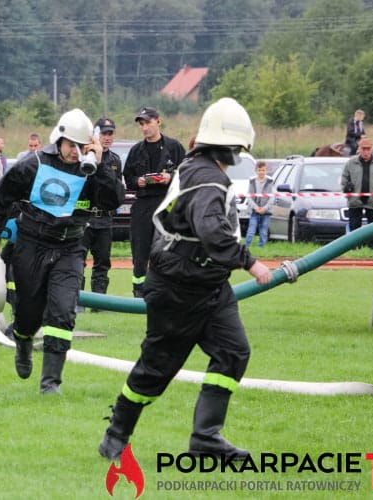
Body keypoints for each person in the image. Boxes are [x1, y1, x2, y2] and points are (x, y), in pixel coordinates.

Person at [98, 98, 272, 462]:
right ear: (230, 145)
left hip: (209, 285)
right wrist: (250, 263)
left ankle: (206, 437)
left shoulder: (197, 166)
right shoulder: (207, 177)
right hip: (178, 288)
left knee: (233, 352)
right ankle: (116, 434)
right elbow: (210, 229)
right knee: (156, 369)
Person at [0, 108, 124, 395]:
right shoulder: (32, 164)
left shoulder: (90, 170)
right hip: (32, 245)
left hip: (70, 247)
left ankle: (50, 382)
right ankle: (22, 341)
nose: (75, 152)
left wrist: (101, 163)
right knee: (29, 313)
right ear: (59, 140)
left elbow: (113, 200)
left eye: (82, 147)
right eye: (72, 145)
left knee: (62, 312)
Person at [123, 106, 185, 297]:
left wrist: (171, 178)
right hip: (143, 204)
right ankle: (139, 292)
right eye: (141, 124)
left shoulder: (174, 147)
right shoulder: (136, 150)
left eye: (147, 122)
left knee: (169, 250)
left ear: (158, 121)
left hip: (167, 204)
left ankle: (167, 290)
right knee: (140, 251)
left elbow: (187, 174)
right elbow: (128, 176)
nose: (144, 127)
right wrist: (138, 182)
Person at [79, 117, 123, 312]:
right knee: (78, 261)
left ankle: (99, 303)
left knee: (102, 262)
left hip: (104, 218)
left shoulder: (114, 161)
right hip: (84, 217)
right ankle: (77, 301)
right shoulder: (82, 156)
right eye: (104, 133)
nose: (107, 137)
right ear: (96, 135)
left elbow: (116, 191)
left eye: (110, 133)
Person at [340, 136, 373, 249]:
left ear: (372, 149)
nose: (366, 151)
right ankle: (355, 248)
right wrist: (347, 192)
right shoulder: (351, 163)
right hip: (355, 201)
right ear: (359, 149)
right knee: (354, 227)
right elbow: (344, 179)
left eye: (368, 149)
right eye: (363, 149)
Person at [244, 160, 273, 247]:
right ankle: (247, 246)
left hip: (266, 212)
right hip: (254, 211)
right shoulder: (252, 181)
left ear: (266, 171)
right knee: (251, 230)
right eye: (259, 170)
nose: (261, 172)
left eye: (263, 170)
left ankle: (261, 247)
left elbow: (272, 197)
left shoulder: (270, 182)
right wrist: (256, 208)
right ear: (256, 170)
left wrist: (265, 208)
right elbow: (249, 197)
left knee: (263, 231)